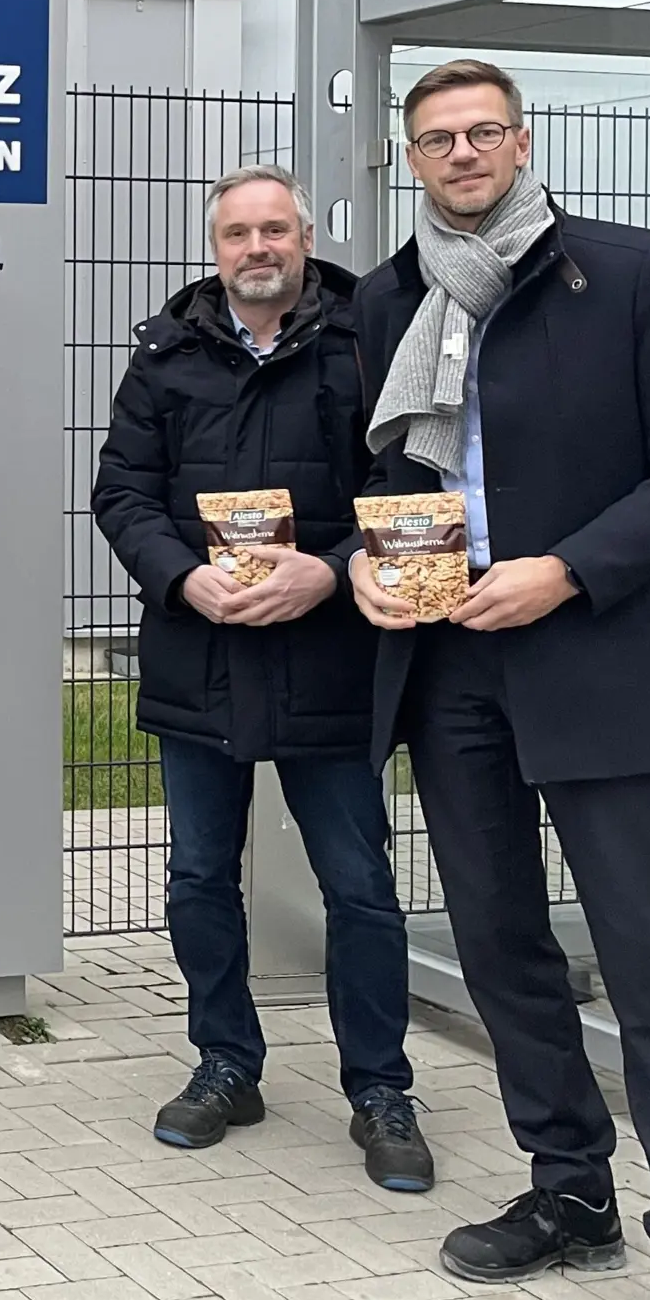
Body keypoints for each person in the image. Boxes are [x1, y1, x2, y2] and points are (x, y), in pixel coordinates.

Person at [346, 57, 650, 1300]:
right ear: (412, 159)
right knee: (502, 945)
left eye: (482, 133)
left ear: (521, 144)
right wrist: (362, 565)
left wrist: (566, 569)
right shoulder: (388, 299)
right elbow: (371, 477)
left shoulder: (628, 272)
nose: (461, 153)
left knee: (644, 956)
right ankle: (569, 1187)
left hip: (591, 651)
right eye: (436, 139)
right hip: (447, 664)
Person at [90, 164, 429, 1191]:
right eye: (237, 233)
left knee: (358, 884)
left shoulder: (366, 343)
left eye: (274, 229)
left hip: (331, 657)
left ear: (305, 239)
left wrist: (329, 572)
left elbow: (408, 483)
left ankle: (381, 1089)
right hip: (201, 653)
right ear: (216, 249)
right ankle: (226, 1064)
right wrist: (180, 577)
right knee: (198, 876)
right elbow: (121, 491)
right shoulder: (165, 353)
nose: (257, 248)